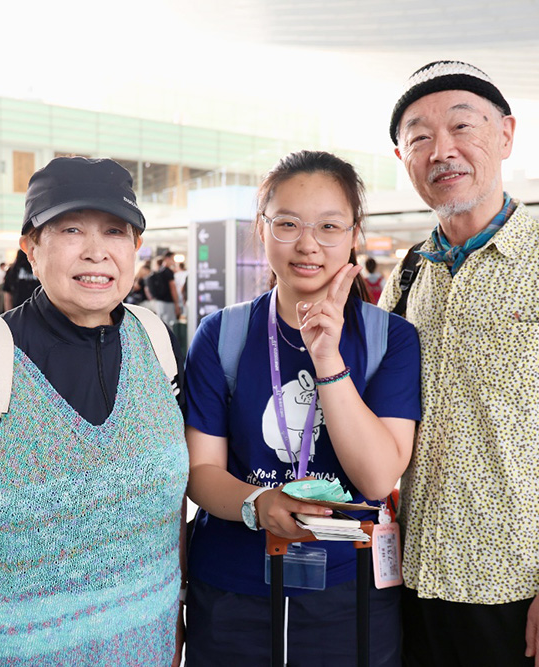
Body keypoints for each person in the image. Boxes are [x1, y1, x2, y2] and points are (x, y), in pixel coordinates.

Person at [379, 61, 539, 666]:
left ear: (505, 135)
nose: (441, 150)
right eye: (419, 137)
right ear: (402, 158)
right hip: (415, 580)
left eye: (462, 126)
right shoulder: (408, 275)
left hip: (526, 589)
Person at [0, 157, 188, 665]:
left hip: (149, 648)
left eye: (115, 231)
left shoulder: (156, 342)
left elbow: (170, 509)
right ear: (31, 247)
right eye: (71, 229)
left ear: (136, 247)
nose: (96, 251)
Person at [184, 150, 421, 666]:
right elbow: (201, 472)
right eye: (288, 224)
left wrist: (328, 360)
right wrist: (258, 502)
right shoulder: (221, 334)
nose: (308, 244)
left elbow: (378, 477)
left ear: (354, 234)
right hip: (231, 589)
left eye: (329, 226)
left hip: (350, 589)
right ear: (262, 228)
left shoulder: (391, 339)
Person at [145, 251, 181, 326]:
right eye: (172, 259)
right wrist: (176, 304)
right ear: (167, 259)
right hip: (168, 302)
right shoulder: (169, 272)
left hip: (159, 302)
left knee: (161, 325)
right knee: (169, 325)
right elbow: (173, 288)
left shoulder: (159, 270)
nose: (174, 262)